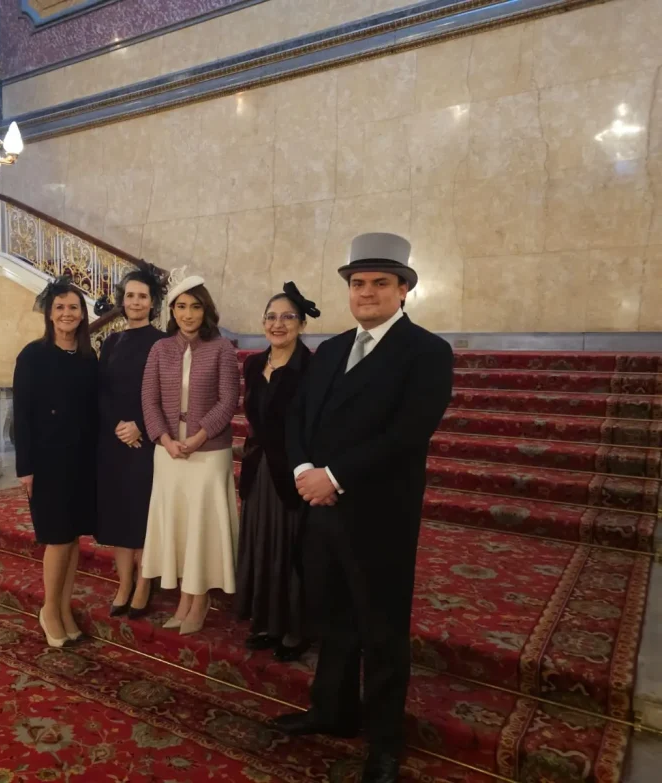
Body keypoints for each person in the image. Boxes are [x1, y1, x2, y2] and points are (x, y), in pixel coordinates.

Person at [273, 233, 453, 783]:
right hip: (321, 508)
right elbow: (298, 417)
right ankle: (332, 710)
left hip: (380, 515)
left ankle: (384, 741)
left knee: (381, 628)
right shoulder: (329, 351)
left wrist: (336, 476)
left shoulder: (426, 352)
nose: (367, 292)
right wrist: (304, 470)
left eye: (380, 283)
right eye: (358, 283)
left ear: (403, 290)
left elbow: (407, 433)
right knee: (332, 617)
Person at [140, 274, 240, 635]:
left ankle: (199, 599)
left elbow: (228, 400)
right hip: (168, 453)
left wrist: (198, 438)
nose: (188, 314)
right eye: (181, 306)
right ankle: (184, 596)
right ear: (172, 310)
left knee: (203, 526)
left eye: (195, 306)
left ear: (206, 309)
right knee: (180, 526)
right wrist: (164, 439)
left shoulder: (222, 348)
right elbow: (148, 400)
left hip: (208, 453)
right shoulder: (160, 349)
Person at [13, 275, 98, 648]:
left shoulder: (86, 356)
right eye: (60, 307)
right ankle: (48, 609)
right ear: (49, 314)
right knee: (58, 539)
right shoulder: (32, 355)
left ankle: (64, 609)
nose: (66, 313)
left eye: (73, 308)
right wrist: (25, 467)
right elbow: (22, 415)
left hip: (82, 459)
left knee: (74, 538)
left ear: (82, 315)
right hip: (47, 462)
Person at [235, 283, 317, 662]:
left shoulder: (311, 367)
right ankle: (266, 622)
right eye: (271, 317)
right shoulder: (253, 364)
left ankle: (296, 626)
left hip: (293, 471)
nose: (278, 324)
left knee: (290, 548)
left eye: (287, 317)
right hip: (257, 467)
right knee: (260, 543)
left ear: (301, 324)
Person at [95, 268, 166, 618]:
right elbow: (101, 392)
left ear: (153, 302)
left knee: (141, 515)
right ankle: (123, 583)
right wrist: (117, 426)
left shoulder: (163, 342)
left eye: (142, 296)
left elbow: (166, 394)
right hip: (114, 441)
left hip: (146, 441)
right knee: (119, 516)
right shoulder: (110, 342)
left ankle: (143, 582)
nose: (135, 302)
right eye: (130, 296)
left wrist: (139, 425)